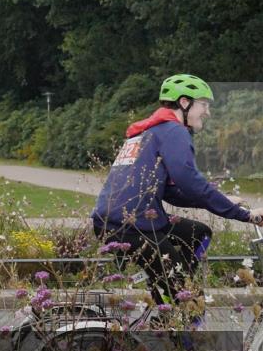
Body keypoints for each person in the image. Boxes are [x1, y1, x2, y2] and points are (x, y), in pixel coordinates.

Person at [92, 74, 263, 308]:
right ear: (184, 102)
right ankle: (177, 312)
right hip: (130, 226)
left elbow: (174, 191)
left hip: (122, 221)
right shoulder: (173, 131)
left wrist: (221, 199)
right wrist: (244, 214)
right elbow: (190, 181)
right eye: (204, 104)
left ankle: (166, 289)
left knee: (199, 234)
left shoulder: (151, 131)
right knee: (187, 299)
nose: (207, 112)